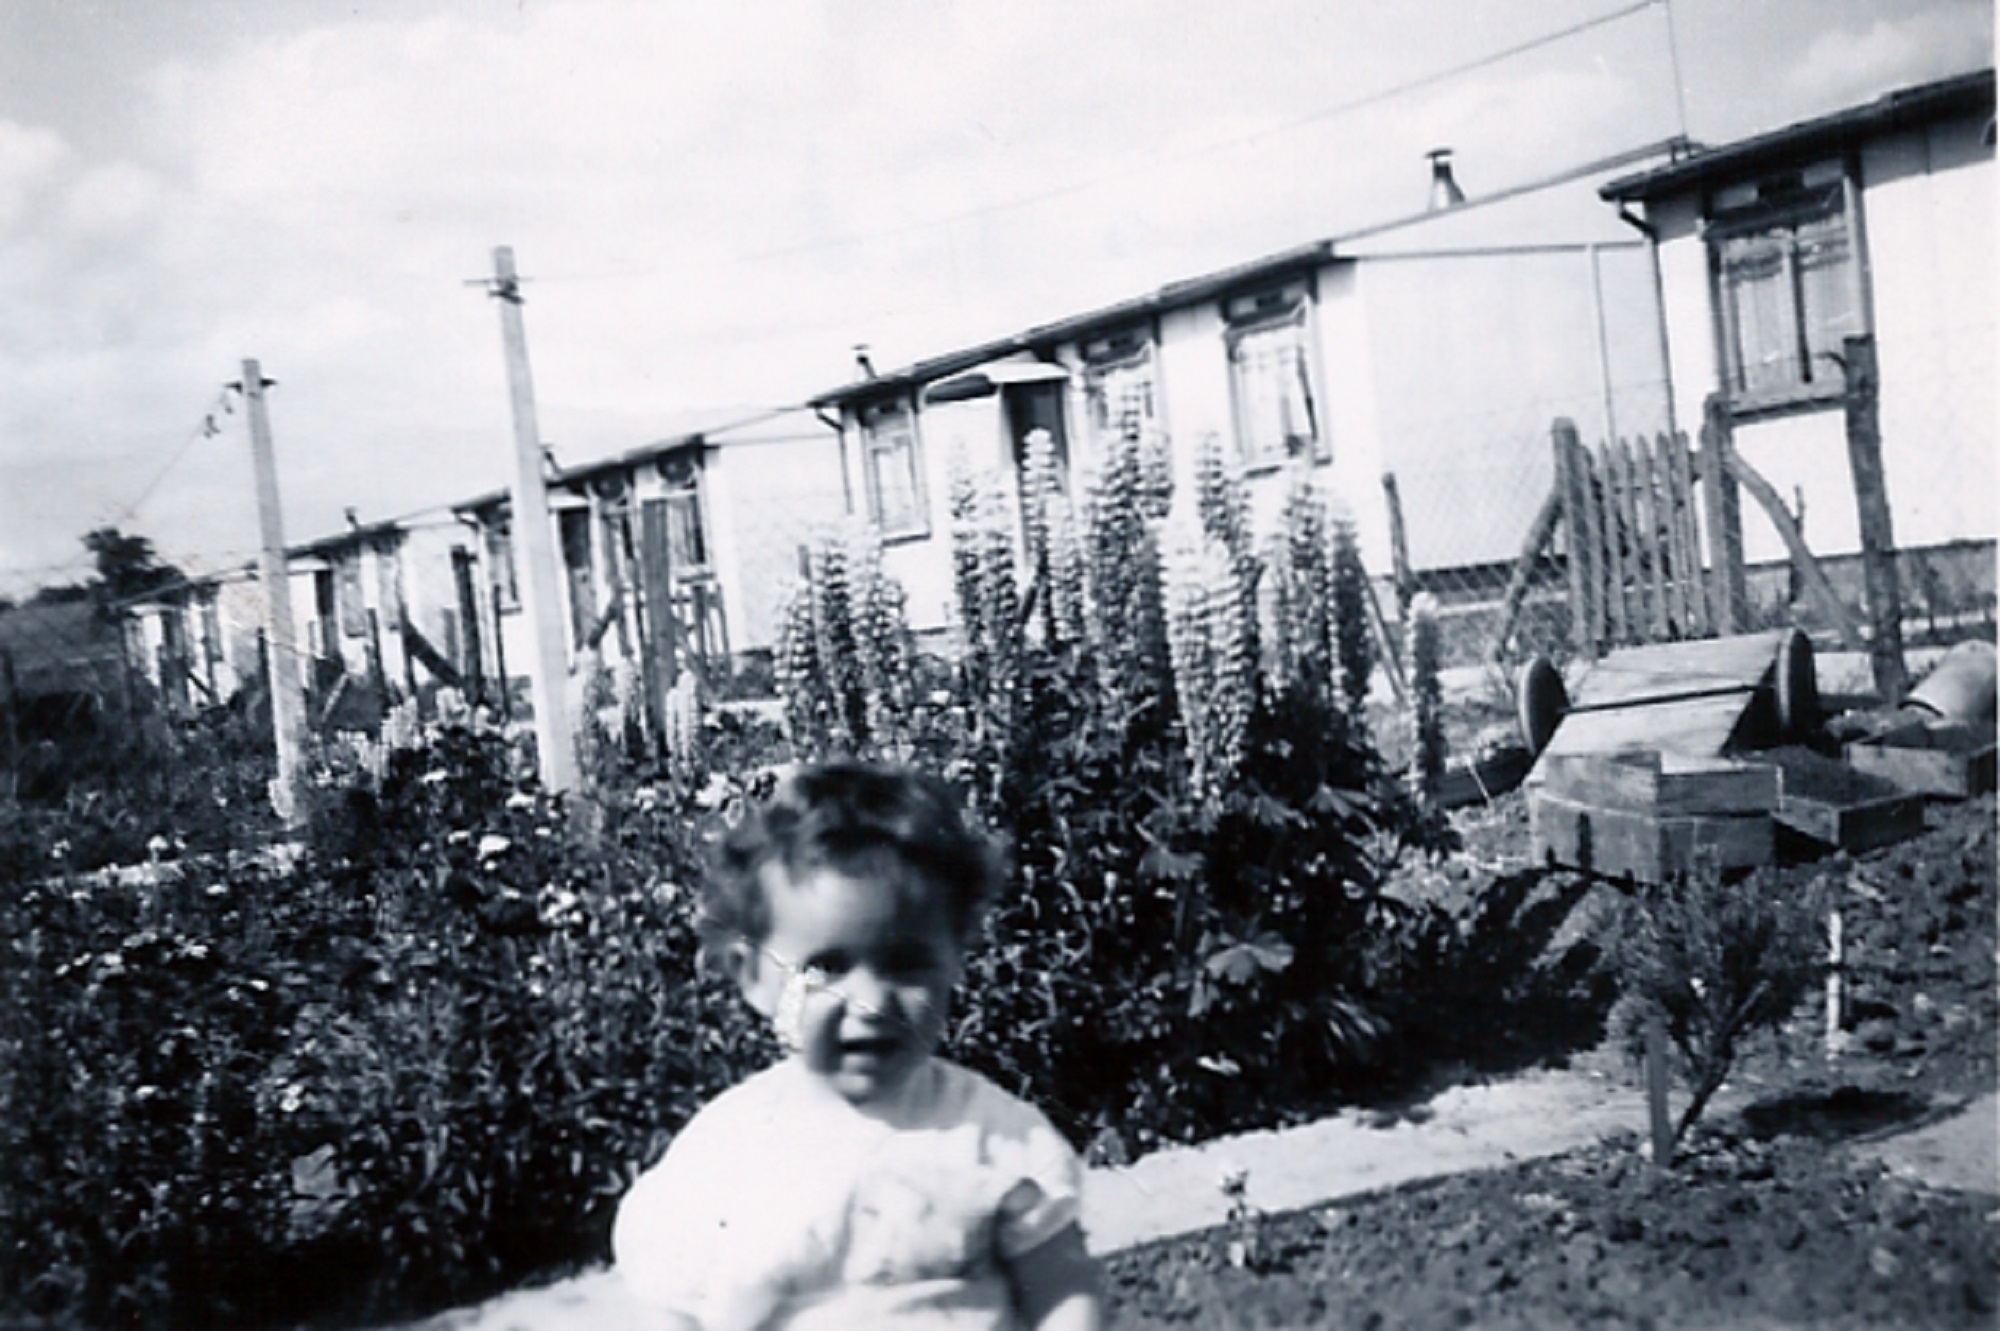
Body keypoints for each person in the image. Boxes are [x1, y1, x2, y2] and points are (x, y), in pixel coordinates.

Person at [613, 761, 1104, 1331]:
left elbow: (1064, 1295)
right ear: (754, 977)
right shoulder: (720, 1159)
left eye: (906, 964)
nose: (871, 999)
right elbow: (668, 1313)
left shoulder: (995, 1137)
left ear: (956, 958)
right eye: (826, 968)